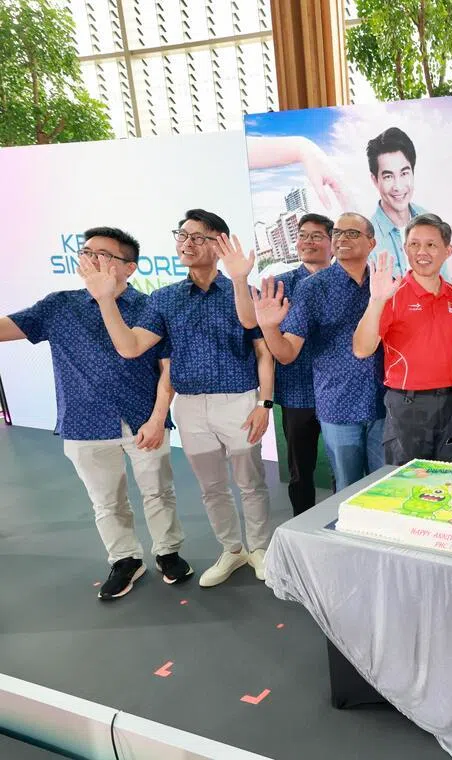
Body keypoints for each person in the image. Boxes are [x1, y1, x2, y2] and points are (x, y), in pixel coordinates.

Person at [81, 210, 275, 587]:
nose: (186, 243)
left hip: (239, 401)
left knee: (251, 482)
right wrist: (105, 300)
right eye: (181, 235)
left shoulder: (243, 291)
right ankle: (232, 550)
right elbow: (131, 346)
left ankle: (261, 549)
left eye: (197, 237)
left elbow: (262, 347)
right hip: (189, 406)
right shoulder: (165, 299)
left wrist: (264, 403)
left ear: (219, 243)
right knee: (211, 488)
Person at [1, 227, 191, 599]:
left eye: (103, 254)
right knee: (105, 501)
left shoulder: (151, 307)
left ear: (129, 267)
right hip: (84, 423)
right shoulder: (59, 305)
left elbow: (168, 368)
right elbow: (7, 328)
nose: (91, 259)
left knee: (158, 492)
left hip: (142, 419)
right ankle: (125, 560)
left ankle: (168, 552)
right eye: (86, 251)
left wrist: (157, 417)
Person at [252, 212, 387, 492]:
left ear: (371, 243)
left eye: (352, 233)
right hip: (337, 405)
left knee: (383, 487)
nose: (342, 239)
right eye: (337, 233)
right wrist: (269, 328)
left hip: (383, 403)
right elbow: (287, 353)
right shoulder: (312, 288)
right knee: (347, 488)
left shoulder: (385, 283)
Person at [221, 213, 334, 515]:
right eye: (303, 235)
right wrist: (240, 279)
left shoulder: (346, 283)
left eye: (317, 235)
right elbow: (249, 320)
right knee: (301, 469)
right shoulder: (279, 285)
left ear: (333, 243)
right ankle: (302, 525)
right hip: (297, 391)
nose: (308, 241)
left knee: (344, 469)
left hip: (339, 393)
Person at [353, 213, 452, 466]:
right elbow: (362, 349)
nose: (421, 252)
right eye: (414, 244)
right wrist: (376, 301)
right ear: (405, 248)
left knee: (447, 479)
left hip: (451, 404)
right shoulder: (391, 293)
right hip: (407, 403)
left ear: (448, 251)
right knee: (405, 484)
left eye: (431, 244)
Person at [366, 127, 450, 280]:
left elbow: (445, 281)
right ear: (375, 180)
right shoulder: (367, 239)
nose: (398, 186)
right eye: (388, 176)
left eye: (404, 173)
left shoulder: (429, 219)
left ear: (413, 172)